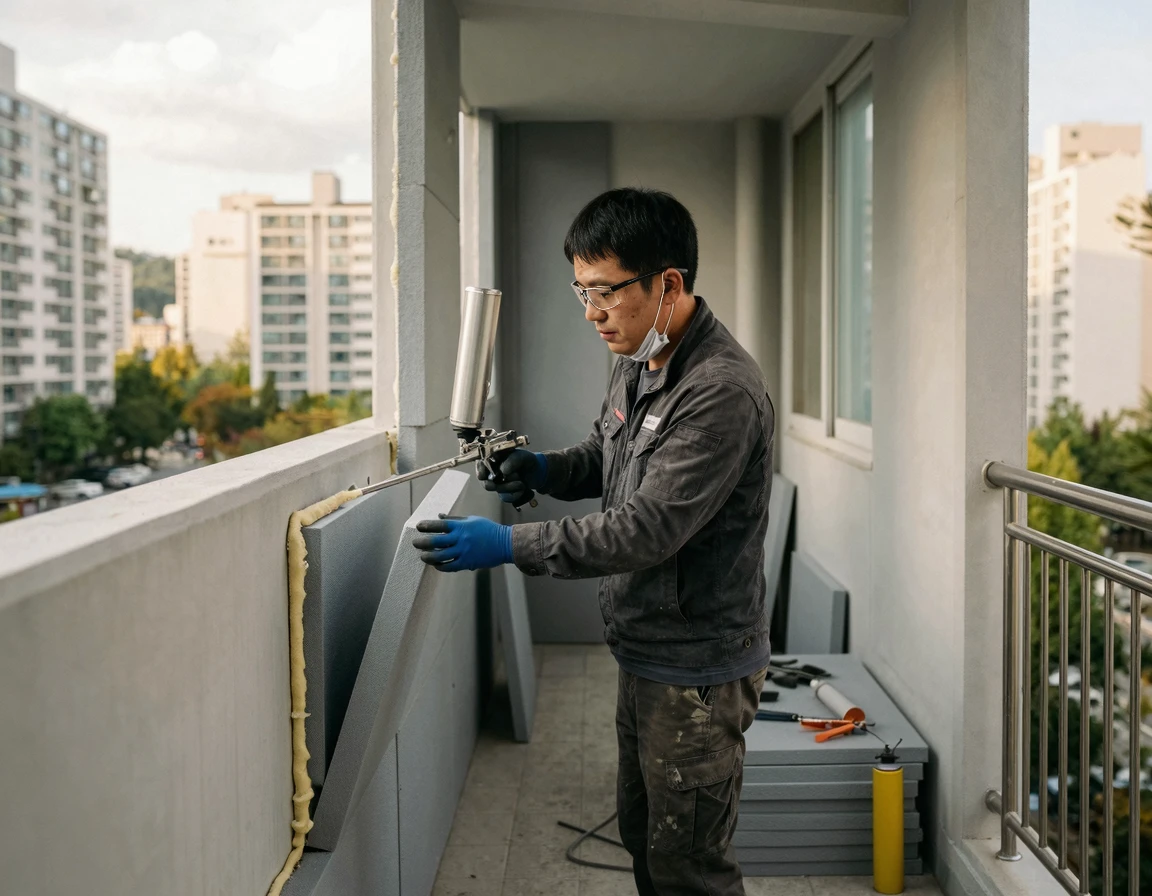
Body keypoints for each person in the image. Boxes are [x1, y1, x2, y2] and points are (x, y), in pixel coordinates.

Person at [412, 187, 774, 895]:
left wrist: (508, 545)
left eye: (605, 293)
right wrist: (546, 467)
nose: (591, 314)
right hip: (644, 648)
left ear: (669, 284)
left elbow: (648, 529)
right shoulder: (641, 356)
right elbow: (609, 458)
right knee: (643, 841)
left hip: (697, 671)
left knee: (689, 870)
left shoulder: (720, 390)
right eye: (580, 292)